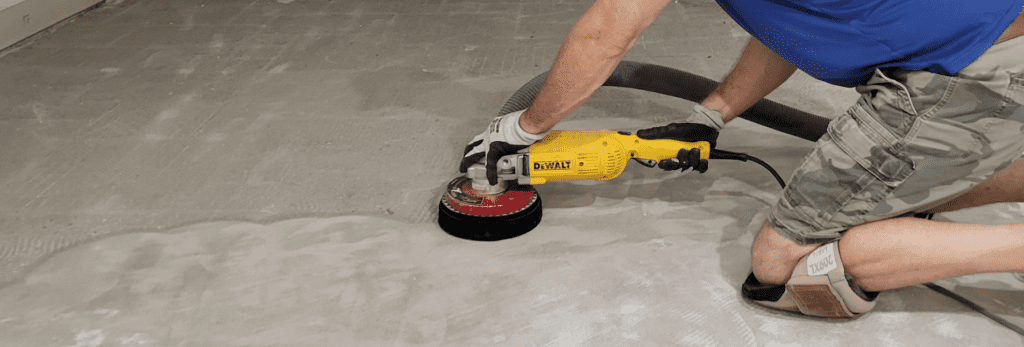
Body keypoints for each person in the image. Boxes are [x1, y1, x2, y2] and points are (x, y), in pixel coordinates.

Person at [460, 0, 1024, 317]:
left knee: (787, 272)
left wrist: (520, 128)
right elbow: (791, 18)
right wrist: (711, 117)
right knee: (907, 191)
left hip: (967, 79)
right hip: (1003, 45)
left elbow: (605, 34)